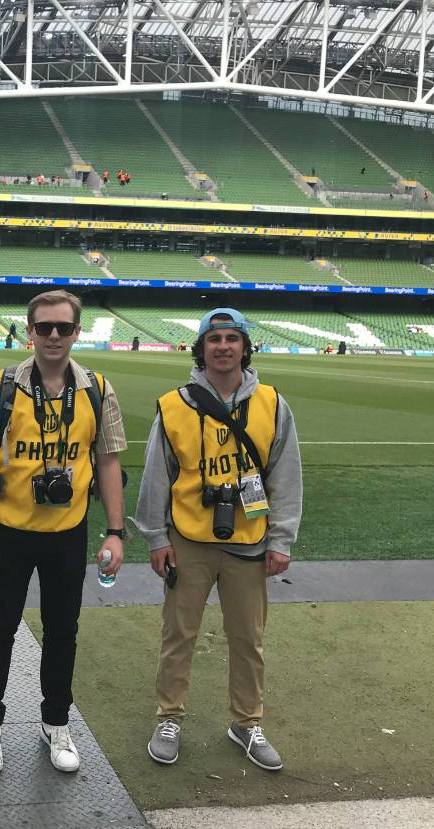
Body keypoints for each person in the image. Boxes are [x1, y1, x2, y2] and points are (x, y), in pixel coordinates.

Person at [0, 290, 128, 775]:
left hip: (67, 533)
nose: (53, 336)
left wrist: (115, 531)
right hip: (11, 533)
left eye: (63, 328)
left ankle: (56, 723)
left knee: (63, 633)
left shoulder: (99, 388)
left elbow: (109, 460)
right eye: (44, 327)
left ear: (77, 332)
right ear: (29, 330)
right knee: (0, 630)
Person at [135, 308, 302, 772]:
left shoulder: (271, 403)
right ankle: (169, 718)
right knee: (178, 634)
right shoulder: (175, 405)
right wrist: (154, 537)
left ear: (245, 347)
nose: (224, 346)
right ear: (202, 347)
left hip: (250, 540)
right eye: (215, 339)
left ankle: (246, 722)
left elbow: (285, 477)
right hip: (188, 538)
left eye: (232, 338)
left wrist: (281, 540)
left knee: (248, 638)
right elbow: (156, 476)